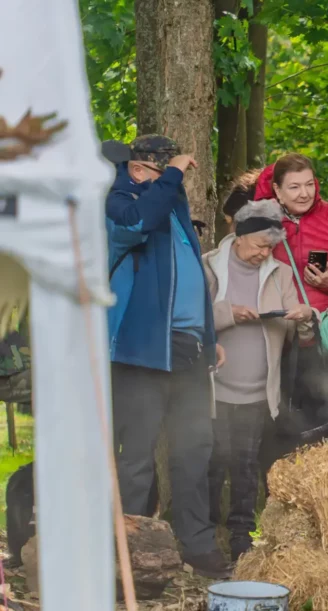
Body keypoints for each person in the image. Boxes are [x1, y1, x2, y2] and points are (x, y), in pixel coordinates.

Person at [104, 134, 228, 578]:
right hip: (142, 354)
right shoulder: (120, 204)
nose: (175, 183)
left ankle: (197, 546)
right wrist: (173, 173)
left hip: (188, 351)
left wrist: (208, 336)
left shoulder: (171, 207)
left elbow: (192, 278)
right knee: (137, 455)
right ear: (139, 170)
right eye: (165, 172)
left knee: (195, 448)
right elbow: (137, 222)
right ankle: (130, 555)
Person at [204, 200, 315, 561]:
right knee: (212, 463)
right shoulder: (208, 266)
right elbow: (192, 318)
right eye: (259, 246)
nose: (264, 254)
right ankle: (206, 534)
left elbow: (298, 330)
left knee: (246, 466)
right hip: (214, 389)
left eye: (270, 247)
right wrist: (229, 313)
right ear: (239, 236)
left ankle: (241, 535)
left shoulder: (281, 273)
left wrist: (304, 316)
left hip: (257, 392)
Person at [252, 153, 328, 455]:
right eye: (294, 187)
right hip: (276, 338)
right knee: (274, 417)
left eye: (309, 184)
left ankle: (316, 477)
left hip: (323, 340)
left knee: (320, 418)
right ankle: (276, 481)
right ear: (277, 190)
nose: (304, 193)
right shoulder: (261, 221)